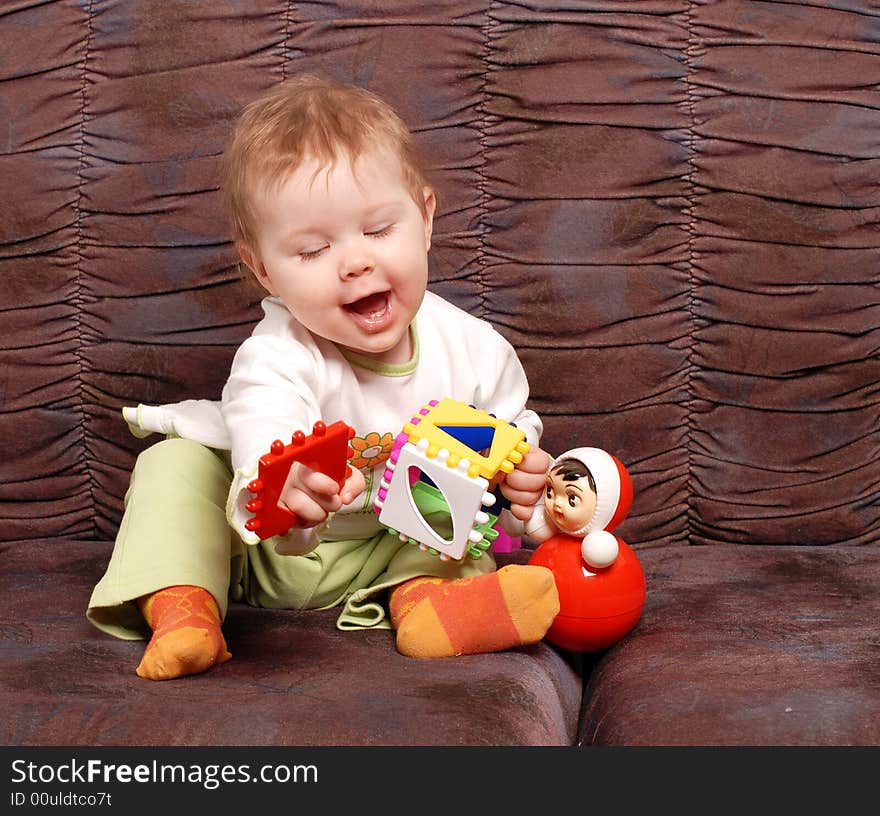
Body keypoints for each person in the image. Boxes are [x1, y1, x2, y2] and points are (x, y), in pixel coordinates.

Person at [86, 74, 559, 681]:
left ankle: (431, 608)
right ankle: (184, 608)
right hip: (256, 561)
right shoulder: (278, 354)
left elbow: (510, 442)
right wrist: (285, 491)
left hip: (392, 550)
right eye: (312, 251)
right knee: (171, 465)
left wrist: (522, 488)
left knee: (456, 517)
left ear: (426, 217)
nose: (355, 261)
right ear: (264, 269)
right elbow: (265, 422)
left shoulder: (475, 349)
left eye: (379, 229)